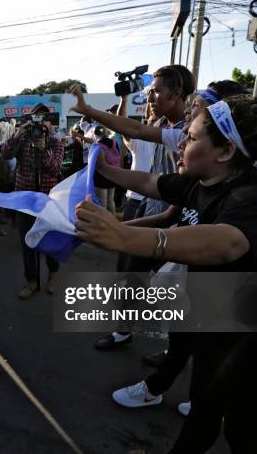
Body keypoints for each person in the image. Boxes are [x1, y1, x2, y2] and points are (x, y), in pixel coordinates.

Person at [76, 90, 257, 453]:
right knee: (203, 413)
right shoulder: (200, 185)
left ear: (225, 152)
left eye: (193, 136)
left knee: (244, 432)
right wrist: (100, 169)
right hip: (220, 324)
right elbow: (149, 183)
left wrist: (123, 235)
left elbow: (224, 242)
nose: (181, 141)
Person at [72, 64, 196, 349]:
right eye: (150, 91)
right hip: (153, 210)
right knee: (130, 274)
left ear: (177, 94)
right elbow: (133, 130)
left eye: (156, 92)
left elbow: (172, 192)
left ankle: (173, 354)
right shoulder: (163, 127)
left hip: (179, 219)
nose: (150, 98)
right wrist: (88, 110)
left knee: (177, 288)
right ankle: (126, 331)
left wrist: (121, 227)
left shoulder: (188, 133)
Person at [1, 103, 64, 299]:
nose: (41, 123)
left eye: (45, 119)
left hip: (47, 200)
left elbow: (54, 169)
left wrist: (43, 149)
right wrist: (18, 134)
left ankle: (53, 275)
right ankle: (31, 281)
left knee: (50, 240)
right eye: (36, 118)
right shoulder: (22, 140)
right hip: (24, 200)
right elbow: (5, 154)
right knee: (27, 241)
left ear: (50, 123)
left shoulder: (56, 143)